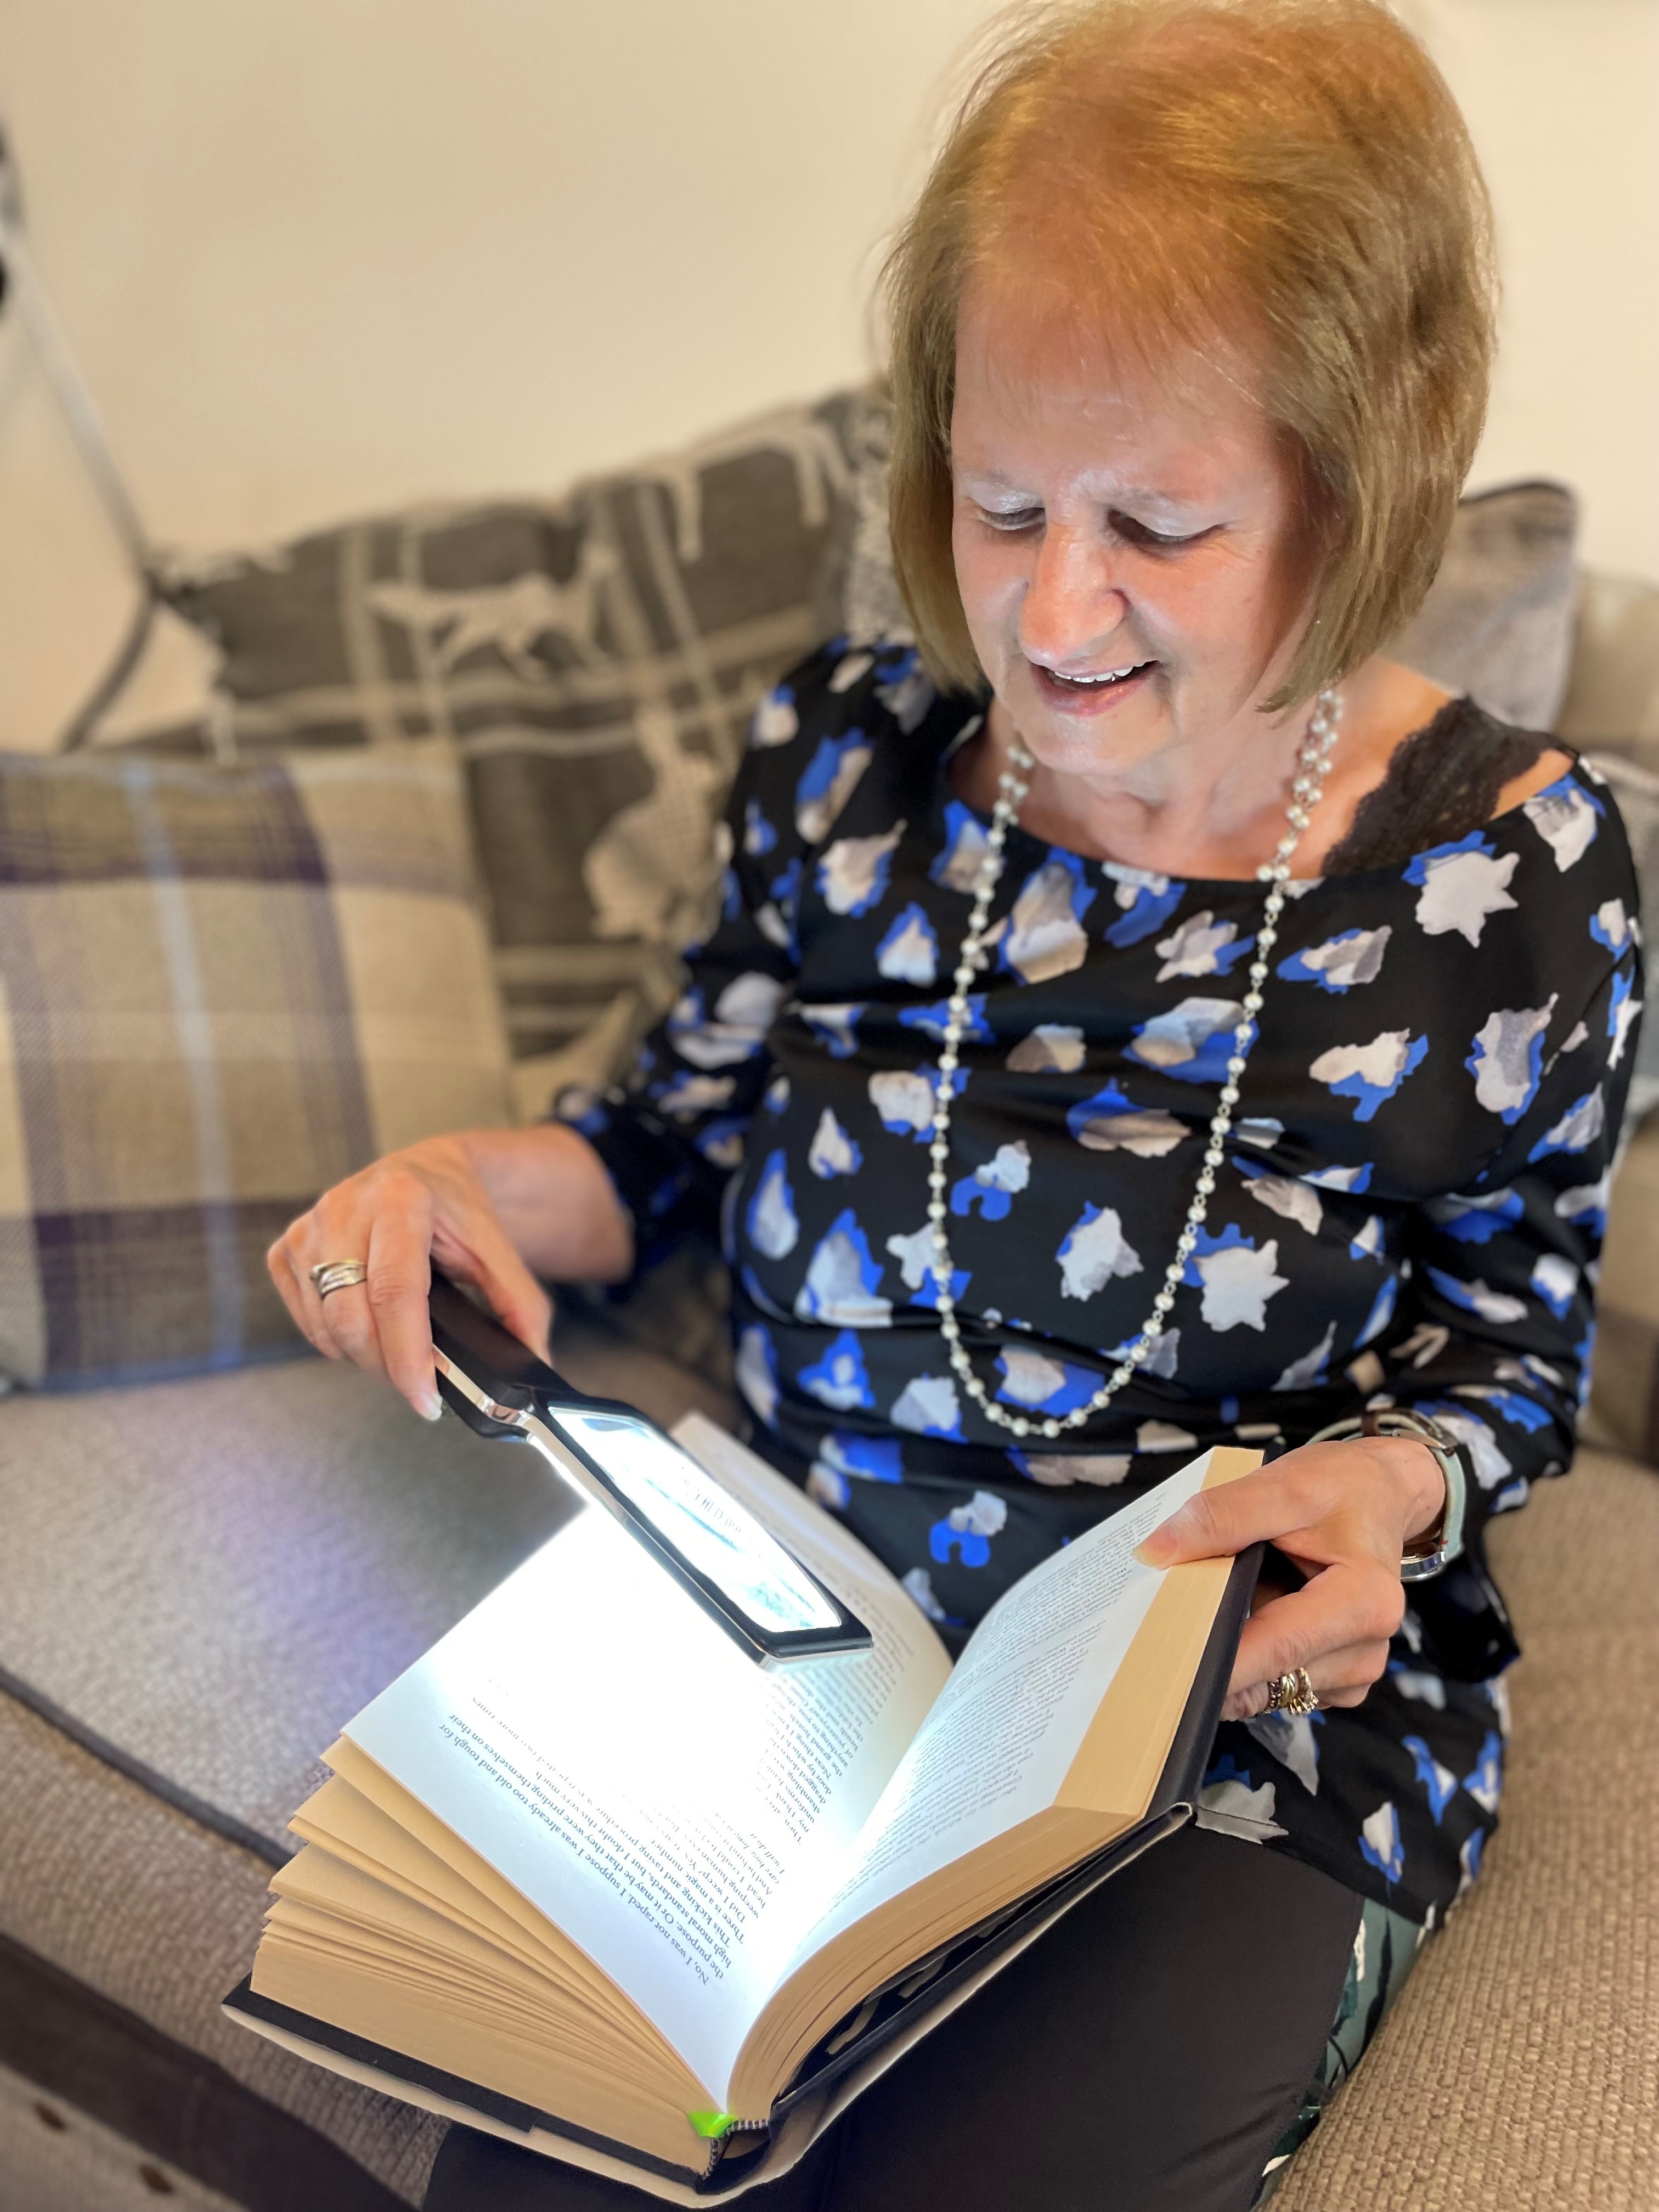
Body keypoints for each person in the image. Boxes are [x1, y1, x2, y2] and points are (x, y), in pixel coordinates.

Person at [269, 2, 1640, 2204]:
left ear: (1357, 484)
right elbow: (651, 1150)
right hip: (798, 1674)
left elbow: (1514, 1345)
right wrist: (449, 1185)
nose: (1051, 606)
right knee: (559, 2157)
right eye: (998, 502)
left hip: (1214, 1733)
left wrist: (1389, 1489)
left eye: (1158, 523)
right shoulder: (851, 761)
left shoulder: (1510, 883)